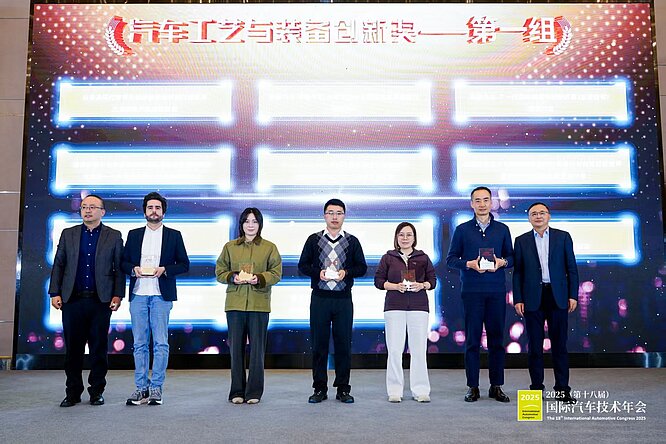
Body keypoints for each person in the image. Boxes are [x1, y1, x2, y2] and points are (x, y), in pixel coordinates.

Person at [48, 194, 124, 407]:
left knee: (99, 349)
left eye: (92, 207)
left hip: (101, 301)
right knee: (73, 350)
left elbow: (119, 269)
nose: (87, 210)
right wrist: (55, 292)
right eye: (84, 207)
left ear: (102, 212)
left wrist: (118, 294)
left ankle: (96, 391)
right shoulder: (69, 234)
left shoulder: (114, 236)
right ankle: (72, 392)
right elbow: (59, 264)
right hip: (72, 300)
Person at [121, 192, 190, 406]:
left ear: (163, 212)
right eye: (150, 207)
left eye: (157, 207)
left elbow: (184, 264)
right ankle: (141, 388)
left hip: (162, 295)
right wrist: (133, 269)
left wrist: (165, 270)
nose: (154, 211)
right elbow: (122, 263)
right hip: (138, 294)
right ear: (144, 211)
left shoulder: (174, 235)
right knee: (139, 344)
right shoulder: (133, 235)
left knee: (161, 343)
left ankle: (156, 387)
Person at [446, 186, 513, 403]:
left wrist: (502, 262)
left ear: (491, 202)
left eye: (486, 200)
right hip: (472, 292)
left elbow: (512, 258)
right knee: (472, 341)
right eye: (478, 200)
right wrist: (469, 264)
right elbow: (451, 260)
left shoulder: (502, 229)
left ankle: (496, 386)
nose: (482, 204)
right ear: (471, 204)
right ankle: (472, 386)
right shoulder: (462, 230)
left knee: (497, 341)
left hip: (496, 291)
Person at [298, 198, 367, 404]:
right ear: (324, 215)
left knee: (343, 345)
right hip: (320, 299)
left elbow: (362, 268)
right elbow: (303, 265)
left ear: (344, 216)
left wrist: (346, 272)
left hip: (343, 300)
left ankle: (343, 389)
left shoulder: (352, 241)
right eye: (331, 213)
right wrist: (318, 273)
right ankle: (319, 388)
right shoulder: (313, 239)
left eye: (339, 213)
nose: (334, 217)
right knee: (319, 345)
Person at [513, 202, 579, 404]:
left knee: (560, 345)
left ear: (549, 216)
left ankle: (562, 389)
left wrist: (573, 295)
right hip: (532, 298)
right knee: (535, 346)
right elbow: (518, 273)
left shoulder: (563, 237)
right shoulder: (521, 240)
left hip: (558, 296)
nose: (538, 216)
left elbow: (571, 268)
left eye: (542, 213)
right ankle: (536, 389)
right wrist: (518, 298)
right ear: (529, 218)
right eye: (534, 213)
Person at [215, 208, 282, 404]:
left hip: (259, 305)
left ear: (260, 224)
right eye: (246, 221)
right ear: (241, 224)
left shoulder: (269, 247)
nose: (250, 225)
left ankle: (253, 392)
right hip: (235, 305)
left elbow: (276, 273)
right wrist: (233, 277)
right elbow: (220, 271)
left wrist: (259, 278)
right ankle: (236, 391)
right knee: (235, 350)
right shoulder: (230, 247)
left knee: (257, 351)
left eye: (254, 221)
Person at [374, 222, 436, 403]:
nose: (405, 238)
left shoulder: (423, 257)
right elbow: (378, 281)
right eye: (402, 234)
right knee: (394, 350)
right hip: (394, 307)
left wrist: (422, 285)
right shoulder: (388, 257)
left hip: (419, 307)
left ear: (414, 238)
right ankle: (394, 390)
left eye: (409, 234)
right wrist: (395, 286)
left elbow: (433, 280)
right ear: (396, 237)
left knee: (419, 350)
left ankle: (421, 390)